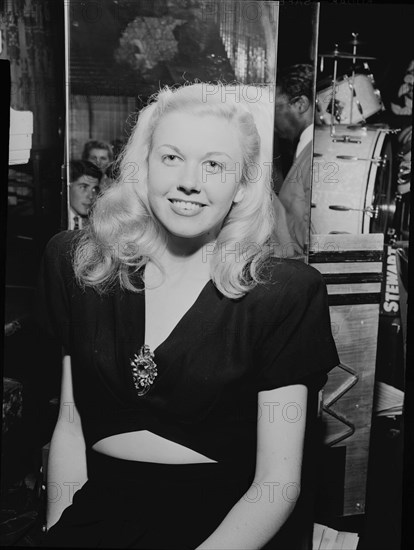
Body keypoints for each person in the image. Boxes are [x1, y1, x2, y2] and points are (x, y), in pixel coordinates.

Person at [35, 83, 338, 549]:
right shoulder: (80, 265)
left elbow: (277, 484)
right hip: (94, 516)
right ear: (143, 167)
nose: (189, 181)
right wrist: (58, 531)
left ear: (240, 186)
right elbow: (71, 425)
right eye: (171, 157)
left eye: (214, 164)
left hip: (224, 527)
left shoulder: (284, 294)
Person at [272, 64, 315, 258]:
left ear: (300, 105)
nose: (271, 119)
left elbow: (311, 238)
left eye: (275, 108)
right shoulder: (305, 150)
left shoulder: (314, 156)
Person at [68, 160, 102, 230]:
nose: (91, 196)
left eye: (94, 189)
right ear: (69, 187)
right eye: (84, 187)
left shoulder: (94, 224)